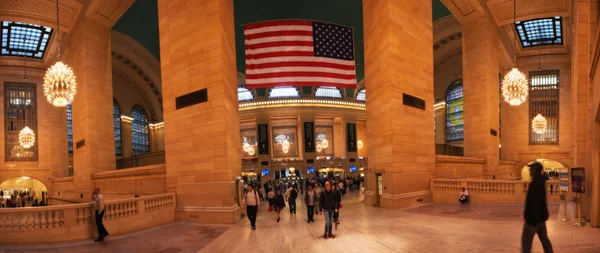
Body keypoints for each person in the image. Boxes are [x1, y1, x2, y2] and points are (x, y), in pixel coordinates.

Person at [522, 162, 553, 253]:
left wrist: (532, 222)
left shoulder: (534, 184)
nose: (529, 170)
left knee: (526, 242)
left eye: (531, 169)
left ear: (535, 170)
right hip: (541, 219)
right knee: (545, 241)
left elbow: (534, 203)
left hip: (533, 221)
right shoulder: (541, 182)